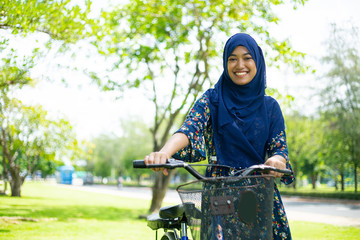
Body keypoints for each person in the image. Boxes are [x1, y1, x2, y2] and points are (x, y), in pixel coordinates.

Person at [144, 33, 295, 240]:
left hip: (259, 196)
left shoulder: (270, 107)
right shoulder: (212, 99)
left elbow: (279, 149)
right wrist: (163, 153)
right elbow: (189, 128)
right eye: (232, 58)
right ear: (225, 63)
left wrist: (275, 162)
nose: (239, 64)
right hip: (220, 198)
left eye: (247, 57)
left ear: (257, 61)